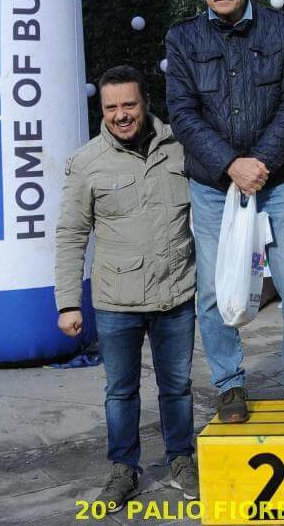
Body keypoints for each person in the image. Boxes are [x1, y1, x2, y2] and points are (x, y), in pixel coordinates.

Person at [165, 0, 284, 424]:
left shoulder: (282, 28)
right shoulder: (183, 38)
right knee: (212, 289)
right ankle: (230, 385)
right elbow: (183, 115)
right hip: (214, 184)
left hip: (279, 180)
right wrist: (232, 164)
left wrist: (260, 162)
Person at [55, 66, 198, 511]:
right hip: (117, 302)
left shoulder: (181, 147)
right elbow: (70, 234)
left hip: (177, 293)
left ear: (146, 102)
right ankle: (123, 468)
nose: (121, 115)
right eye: (111, 107)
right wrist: (67, 303)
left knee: (177, 386)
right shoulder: (87, 163)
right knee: (120, 391)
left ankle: (181, 460)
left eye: (129, 105)